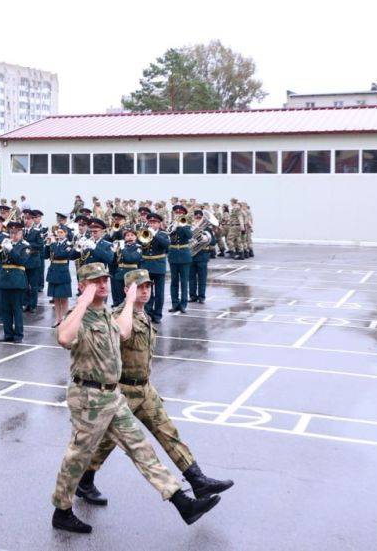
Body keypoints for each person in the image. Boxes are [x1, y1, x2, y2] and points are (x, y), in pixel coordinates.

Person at [50, 264, 220, 534]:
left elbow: (125, 332)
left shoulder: (106, 314)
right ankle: (62, 511)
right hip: (88, 400)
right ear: (82, 285)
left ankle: (182, 502)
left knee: (141, 448)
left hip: (113, 397)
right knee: (77, 458)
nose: (103, 284)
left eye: (105, 279)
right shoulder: (79, 315)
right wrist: (82, 301)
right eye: (95, 281)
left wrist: (129, 301)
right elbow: (64, 337)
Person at [79, 269, 233, 508]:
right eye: (139, 287)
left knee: (168, 432)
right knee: (106, 444)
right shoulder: (119, 315)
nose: (145, 291)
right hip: (122, 392)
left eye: (147, 287)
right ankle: (84, 481)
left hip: (145, 389)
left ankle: (197, 479)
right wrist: (128, 305)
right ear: (127, 290)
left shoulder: (145, 316)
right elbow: (118, 336)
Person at [0, 220, 31, 343]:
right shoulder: (7, 243)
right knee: (5, 309)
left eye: (16, 233)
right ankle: (8, 334)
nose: (13, 236)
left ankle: (18, 335)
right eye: (11, 233)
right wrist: (0, 248)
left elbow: (21, 261)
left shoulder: (25, 246)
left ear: (21, 233)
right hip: (4, 280)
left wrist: (11, 249)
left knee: (16, 309)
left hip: (17, 280)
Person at [44, 225, 78, 324]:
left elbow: (60, 254)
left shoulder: (68, 244)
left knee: (63, 298)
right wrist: (47, 244)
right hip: (53, 271)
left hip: (63, 272)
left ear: (66, 233)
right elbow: (45, 255)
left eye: (61, 232)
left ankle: (64, 319)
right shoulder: (54, 243)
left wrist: (53, 243)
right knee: (56, 298)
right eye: (58, 232)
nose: (59, 234)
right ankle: (57, 319)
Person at [140, 213, 170, 324]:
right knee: (147, 291)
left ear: (159, 223)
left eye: (155, 222)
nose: (152, 224)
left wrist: (154, 235)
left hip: (158, 266)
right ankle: (148, 312)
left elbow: (167, 245)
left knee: (159, 292)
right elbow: (140, 244)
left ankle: (157, 314)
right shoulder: (144, 233)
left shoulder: (163, 234)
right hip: (146, 265)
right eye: (151, 222)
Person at [167, 205, 193, 315]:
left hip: (184, 255)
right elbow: (168, 235)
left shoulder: (186, 225)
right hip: (173, 255)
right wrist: (174, 227)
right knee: (174, 282)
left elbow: (189, 236)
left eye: (180, 213)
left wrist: (181, 226)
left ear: (183, 214)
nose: (178, 215)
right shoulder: (171, 225)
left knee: (183, 282)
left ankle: (183, 305)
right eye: (176, 213)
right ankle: (174, 304)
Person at [112, 226, 142, 307]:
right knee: (121, 298)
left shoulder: (138, 247)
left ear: (136, 237)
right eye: (127, 235)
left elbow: (130, 258)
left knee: (131, 298)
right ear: (124, 238)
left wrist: (123, 248)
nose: (130, 237)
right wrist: (114, 250)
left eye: (132, 235)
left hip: (132, 275)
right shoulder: (121, 246)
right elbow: (113, 260)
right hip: (120, 274)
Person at [188, 210, 213, 304]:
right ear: (194, 218)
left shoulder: (207, 229)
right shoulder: (190, 228)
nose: (198, 219)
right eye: (196, 217)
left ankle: (202, 296)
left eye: (200, 218)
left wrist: (206, 239)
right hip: (191, 256)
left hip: (202, 255)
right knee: (191, 278)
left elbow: (213, 241)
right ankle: (192, 296)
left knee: (202, 278)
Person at [22, 211, 43, 314]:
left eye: (28, 219)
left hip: (33, 261)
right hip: (23, 261)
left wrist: (28, 244)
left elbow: (40, 245)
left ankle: (33, 305)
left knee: (33, 285)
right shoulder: (21, 231)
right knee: (24, 285)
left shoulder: (37, 231)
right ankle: (26, 304)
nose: (26, 221)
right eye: (25, 218)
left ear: (32, 220)